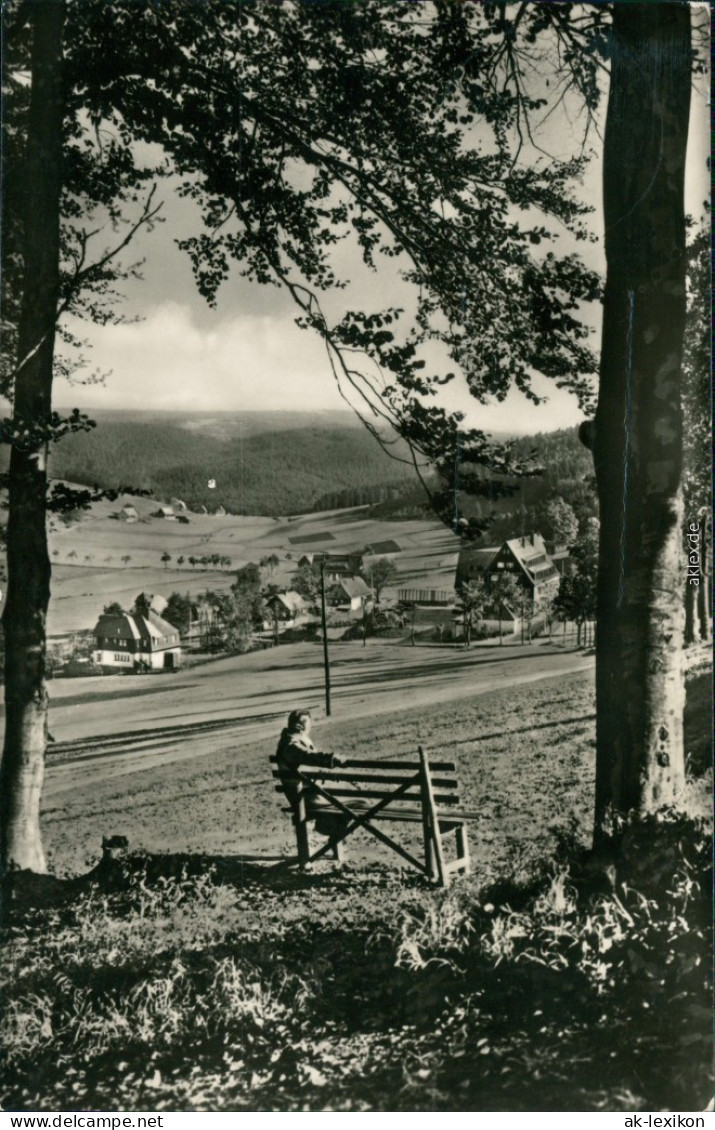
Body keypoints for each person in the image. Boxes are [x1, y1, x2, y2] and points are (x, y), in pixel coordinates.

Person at [275, 709, 346, 839]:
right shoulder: (291, 744)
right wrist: (332, 759)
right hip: (305, 798)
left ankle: (330, 830)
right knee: (355, 803)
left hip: (306, 793)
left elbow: (306, 763)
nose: (310, 725)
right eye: (308, 722)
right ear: (299, 725)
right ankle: (328, 828)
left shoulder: (291, 740)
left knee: (352, 800)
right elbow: (308, 756)